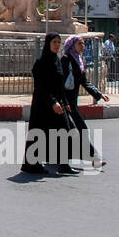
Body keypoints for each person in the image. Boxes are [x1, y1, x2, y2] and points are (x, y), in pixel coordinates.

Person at [20, 33, 79, 176]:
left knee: (66, 131)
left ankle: (63, 163)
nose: (57, 45)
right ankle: (31, 165)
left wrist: (65, 102)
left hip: (58, 103)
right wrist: (53, 102)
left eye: (59, 42)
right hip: (43, 105)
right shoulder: (41, 62)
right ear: (48, 43)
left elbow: (60, 85)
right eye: (54, 42)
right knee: (39, 134)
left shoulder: (57, 60)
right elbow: (41, 86)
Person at [60, 34, 109, 168]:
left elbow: (84, 81)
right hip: (65, 103)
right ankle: (94, 158)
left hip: (72, 102)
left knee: (74, 130)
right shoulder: (65, 60)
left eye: (83, 43)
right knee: (79, 129)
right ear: (72, 45)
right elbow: (59, 83)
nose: (83, 46)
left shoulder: (79, 60)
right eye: (79, 44)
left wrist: (98, 94)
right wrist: (64, 102)